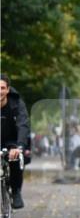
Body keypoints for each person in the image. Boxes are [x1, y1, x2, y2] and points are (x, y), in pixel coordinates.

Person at [0, 75, 31, 209]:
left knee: (15, 158)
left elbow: (23, 125)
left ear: (7, 90)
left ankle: (16, 191)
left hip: (11, 141)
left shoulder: (17, 103)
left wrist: (19, 147)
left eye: (2, 88)